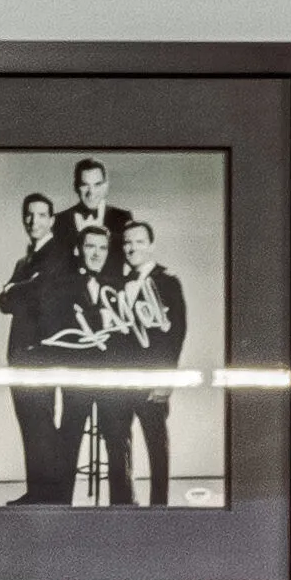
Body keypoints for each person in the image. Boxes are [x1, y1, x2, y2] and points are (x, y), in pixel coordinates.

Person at [0, 168, 107, 504]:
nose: (34, 220)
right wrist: (15, 290)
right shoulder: (24, 260)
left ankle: (51, 498)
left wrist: (15, 289)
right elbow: (4, 304)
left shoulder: (57, 253)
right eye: (29, 215)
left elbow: (34, 293)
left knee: (43, 427)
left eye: (41, 214)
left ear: (52, 219)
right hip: (20, 353)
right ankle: (38, 493)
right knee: (31, 425)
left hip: (41, 353)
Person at [72, 198, 191, 506]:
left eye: (139, 242)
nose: (132, 248)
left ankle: (160, 508)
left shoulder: (168, 281)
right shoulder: (117, 284)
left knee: (156, 445)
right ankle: (123, 508)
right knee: (117, 447)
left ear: (151, 245)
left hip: (152, 381)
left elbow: (176, 333)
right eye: (127, 243)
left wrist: (165, 379)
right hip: (119, 382)